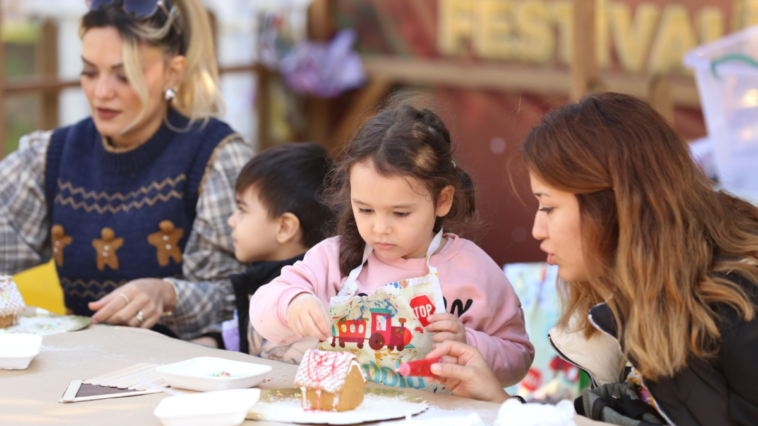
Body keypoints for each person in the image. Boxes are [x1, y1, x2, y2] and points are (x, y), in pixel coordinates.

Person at [426, 92, 758, 426]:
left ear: (612, 206)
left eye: (549, 207)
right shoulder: (638, 298)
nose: (537, 230)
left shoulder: (741, 307)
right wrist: (500, 403)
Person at [0, 0, 252, 340]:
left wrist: (167, 295)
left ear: (173, 72)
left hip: (189, 383)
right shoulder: (49, 157)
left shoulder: (216, 159)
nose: (101, 91)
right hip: (77, 376)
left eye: (124, 75)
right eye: (89, 71)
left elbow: (248, 296)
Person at [250, 103, 534, 386]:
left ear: (443, 200)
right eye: (365, 210)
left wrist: (470, 345)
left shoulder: (476, 271)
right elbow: (263, 310)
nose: (380, 228)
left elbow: (520, 356)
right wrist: (293, 303)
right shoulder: (333, 259)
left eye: (400, 213)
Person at [192, 142, 335, 365]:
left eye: (242, 209)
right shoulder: (260, 276)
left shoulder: (315, 292)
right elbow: (243, 337)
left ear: (284, 227)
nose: (231, 220)